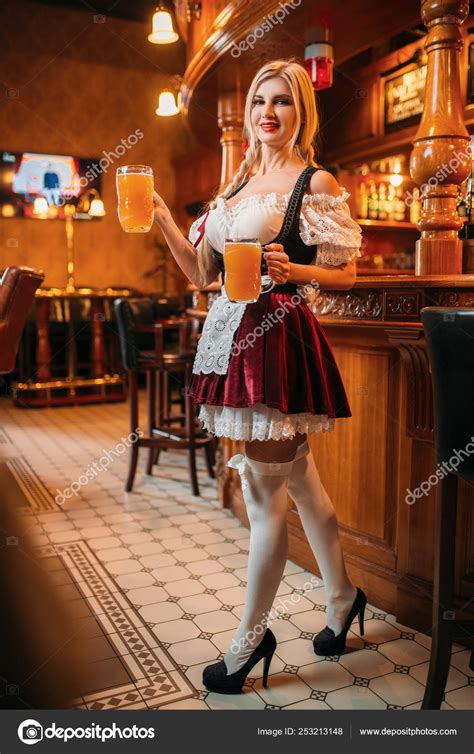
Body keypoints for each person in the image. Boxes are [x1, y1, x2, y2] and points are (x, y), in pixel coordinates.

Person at [152, 57, 367, 695]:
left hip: (276, 342)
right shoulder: (237, 186)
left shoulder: (314, 180)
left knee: (262, 493)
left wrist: (297, 271)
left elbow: (346, 274)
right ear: (247, 113)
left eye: (282, 102)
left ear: (302, 113)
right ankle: (344, 598)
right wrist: (162, 213)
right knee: (297, 481)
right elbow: (199, 273)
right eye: (259, 102)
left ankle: (250, 640)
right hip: (231, 340)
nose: (268, 113)